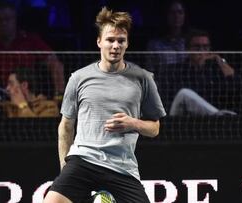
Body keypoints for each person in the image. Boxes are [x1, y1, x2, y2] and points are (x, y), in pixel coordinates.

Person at [43, 7, 166, 203]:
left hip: (122, 167)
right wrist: (64, 169)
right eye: (110, 40)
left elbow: (155, 129)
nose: (115, 46)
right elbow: (66, 126)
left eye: (121, 41)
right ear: (99, 41)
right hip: (83, 160)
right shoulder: (79, 78)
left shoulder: (143, 78)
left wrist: (132, 123)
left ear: (127, 44)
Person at [159, 29, 238, 116]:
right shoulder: (174, 70)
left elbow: (236, 86)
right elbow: (170, 98)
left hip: (206, 121)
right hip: (178, 118)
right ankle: (220, 116)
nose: (201, 51)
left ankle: (220, 116)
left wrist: (220, 60)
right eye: (197, 47)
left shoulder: (214, 72)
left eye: (205, 47)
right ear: (187, 49)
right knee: (184, 93)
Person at [0, 1, 65, 99]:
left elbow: (55, 64)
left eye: (8, 19)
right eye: (0, 20)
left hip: (26, 94)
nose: (4, 23)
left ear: (15, 20)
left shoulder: (30, 40)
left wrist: (59, 94)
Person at [146, 0, 188, 72]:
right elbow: (150, 71)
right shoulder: (154, 45)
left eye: (180, 12)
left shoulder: (190, 42)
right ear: (166, 15)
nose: (176, 16)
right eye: (172, 13)